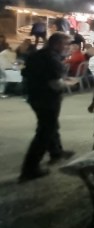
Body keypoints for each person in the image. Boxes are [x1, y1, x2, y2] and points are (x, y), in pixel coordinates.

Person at [19, 33, 77, 181]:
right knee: (45, 131)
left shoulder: (38, 55)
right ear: (57, 44)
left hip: (34, 96)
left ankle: (56, 152)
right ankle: (30, 168)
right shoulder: (52, 59)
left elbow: (31, 74)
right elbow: (55, 84)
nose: (69, 47)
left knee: (51, 125)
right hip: (47, 98)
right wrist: (69, 84)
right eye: (66, 44)